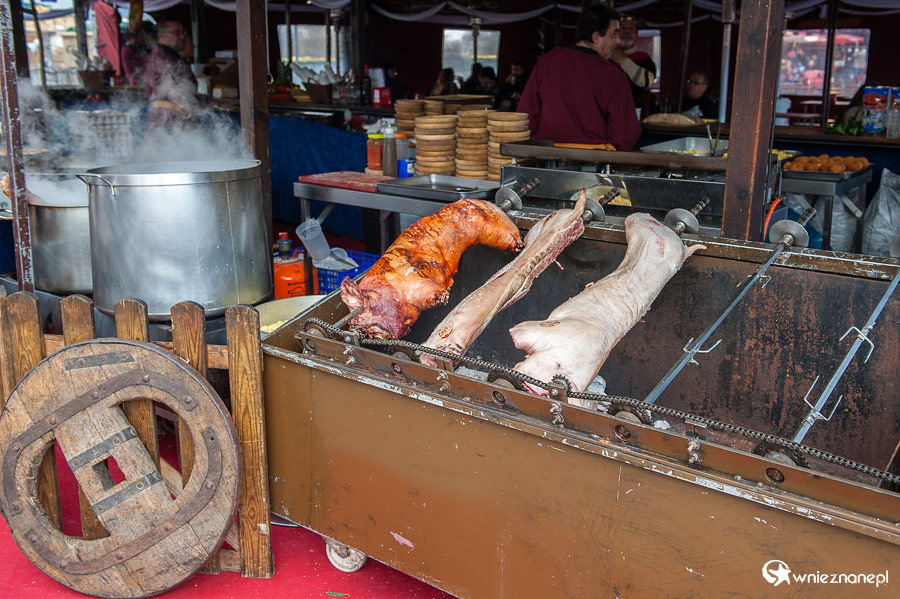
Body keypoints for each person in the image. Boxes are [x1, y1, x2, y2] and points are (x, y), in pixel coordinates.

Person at [517, 3, 640, 150]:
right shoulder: (614, 76)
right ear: (596, 37)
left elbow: (525, 116)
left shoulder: (547, 62)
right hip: (593, 164)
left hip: (546, 159)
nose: (618, 41)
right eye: (614, 34)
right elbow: (624, 135)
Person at [144, 20, 198, 130]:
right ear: (162, 35)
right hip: (168, 120)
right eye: (176, 32)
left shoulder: (170, 57)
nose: (182, 36)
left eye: (183, 32)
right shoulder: (161, 57)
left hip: (172, 119)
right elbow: (175, 91)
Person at [609, 16, 657, 115]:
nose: (627, 31)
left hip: (634, 115)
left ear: (636, 35)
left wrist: (622, 60)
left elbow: (647, 82)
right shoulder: (603, 59)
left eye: (631, 28)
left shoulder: (644, 59)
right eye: (622, 28)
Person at [121, 21, 155, 86]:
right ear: (133, 36)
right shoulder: (127, 50)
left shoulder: (137, 48)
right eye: (139, 35)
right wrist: (133, 82)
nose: (141, 38)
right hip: (136, 82)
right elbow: (128, 70)